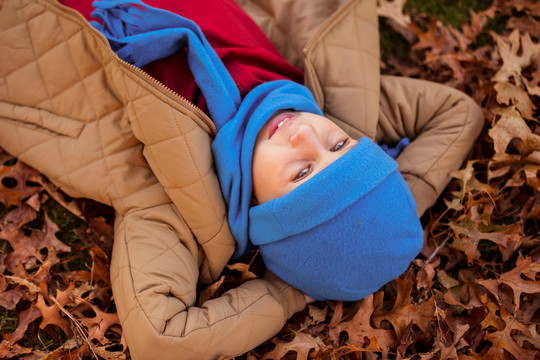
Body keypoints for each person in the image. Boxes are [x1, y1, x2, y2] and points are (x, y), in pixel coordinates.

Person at [0, 0, 484, 358]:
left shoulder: (172, 205)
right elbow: (457, 114)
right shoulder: (327, 97)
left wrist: (292, 287)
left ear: (264, 214)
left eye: (302, 173)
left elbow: (161, 336)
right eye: (339, 148)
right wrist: (391, 206)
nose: (305, 137)